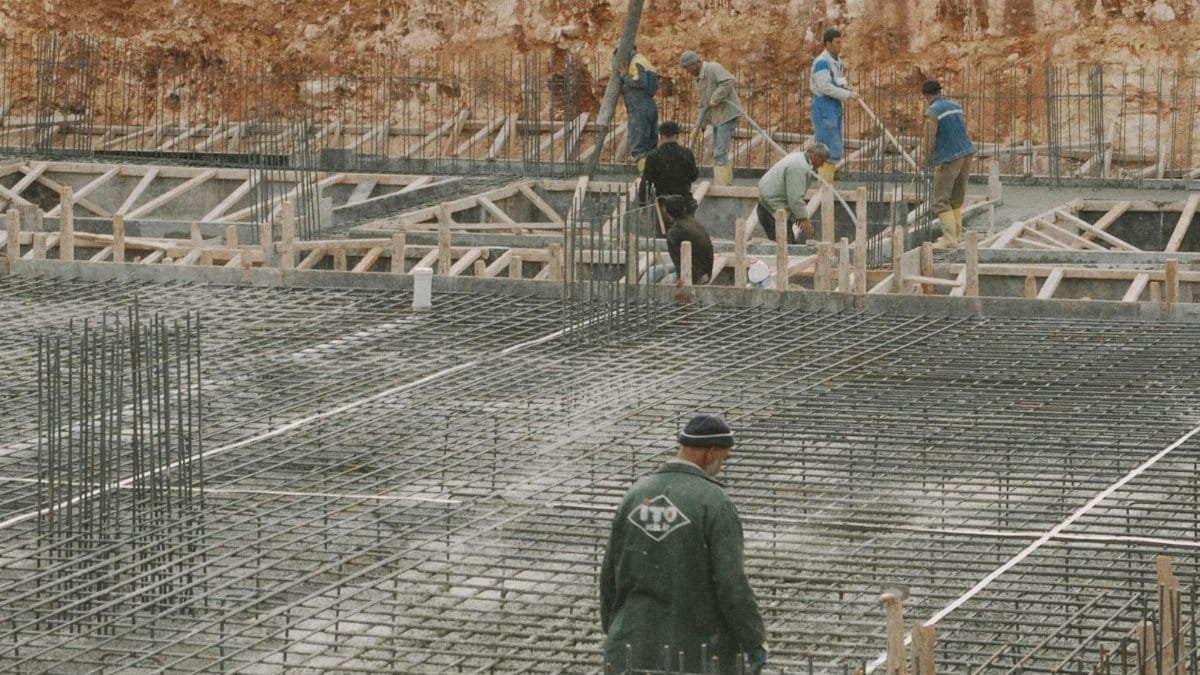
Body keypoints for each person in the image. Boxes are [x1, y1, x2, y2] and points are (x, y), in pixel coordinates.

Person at [600, 414, 768, 675]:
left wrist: (616, 631)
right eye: (724, 458)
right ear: (710, 453)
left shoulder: (635, 494)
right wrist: (754, 640)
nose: (722, 466)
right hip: (694, 655)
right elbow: (731, 583)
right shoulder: (715, 502)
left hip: (630, 649)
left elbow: (608, 575)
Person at [921, 79, 976, 248]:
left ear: (926, 96)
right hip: (966, 153)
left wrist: (925, 159)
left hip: (949, 158)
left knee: (940, 199)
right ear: (940, 92)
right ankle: (957, 236)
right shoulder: (955, 106)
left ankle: (949, 239)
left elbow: (929, 138)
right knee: (956, 198)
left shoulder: (933, 111)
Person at [680, 49, 741, 186]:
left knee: (720, 152)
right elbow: (704, 105)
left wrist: (716, 97)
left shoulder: (713, 68)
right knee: (717, 151)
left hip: (727, 114)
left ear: (695, 63)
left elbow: (729, 81)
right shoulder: (699, 79)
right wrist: (699, 126)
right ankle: (723, 183)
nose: (687, 71)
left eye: (687, 68)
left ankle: (724, 186)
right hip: (717, 117)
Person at [809, 29, 859, 183]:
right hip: (824, 105)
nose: (840, 45)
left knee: (835, 142)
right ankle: (824, 182)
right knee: (827, 144)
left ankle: (829, 178)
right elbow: (825, 87)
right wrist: (847, 94)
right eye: (837, 42)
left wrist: (847, 89)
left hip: (834, 105)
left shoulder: (837, 62)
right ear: (828, 44)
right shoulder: (822, 62)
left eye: (840, 42)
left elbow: (836, 82)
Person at [757, 142, 831, 244]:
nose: (822, 165)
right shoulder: (799, 167)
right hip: (771, 211)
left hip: (770, 206)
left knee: (787, 245)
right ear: (815, 155)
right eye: (822, 160)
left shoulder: (799, 158)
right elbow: (795, 198)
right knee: (785, 247)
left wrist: (797, 217)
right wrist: (803, 218)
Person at [638, 121, 699, 224]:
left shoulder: (654, 156)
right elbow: (693, 176)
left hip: (664, 204)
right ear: (677, 136)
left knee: (665, 231)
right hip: (684, 201)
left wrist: (642, 204)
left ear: (661, 136)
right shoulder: (686, 153)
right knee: (685, 230)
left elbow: (646, 181)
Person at [618, 45, 659, 172]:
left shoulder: (636, 62)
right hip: (649, 106)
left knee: (638, 147)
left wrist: (625, 76)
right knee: (650, 146)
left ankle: (644, 176)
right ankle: (652, 175)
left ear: (630, 49)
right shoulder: (644, 60)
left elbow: (641, 82)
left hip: (639, 108)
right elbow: (653, 86)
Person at [662, 194, 714, 284]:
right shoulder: (694, 223)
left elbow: (679, 264)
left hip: (695, 275)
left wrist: (680, 282)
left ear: (667, 213)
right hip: (705, 272)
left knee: (662, 283)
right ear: (684, 209)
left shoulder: (674, 233)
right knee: (654, 271)